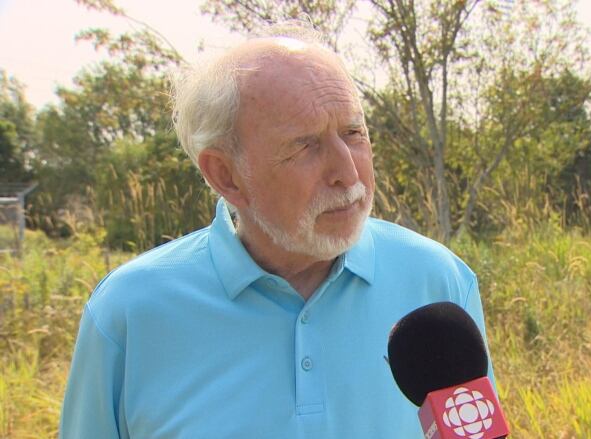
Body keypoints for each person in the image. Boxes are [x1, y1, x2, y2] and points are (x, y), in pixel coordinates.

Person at [60, 24, 494, 439]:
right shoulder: (129, 313)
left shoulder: (439, 281)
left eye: (354, 133)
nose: (347, 171)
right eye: (306, 145)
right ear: (226, 175)